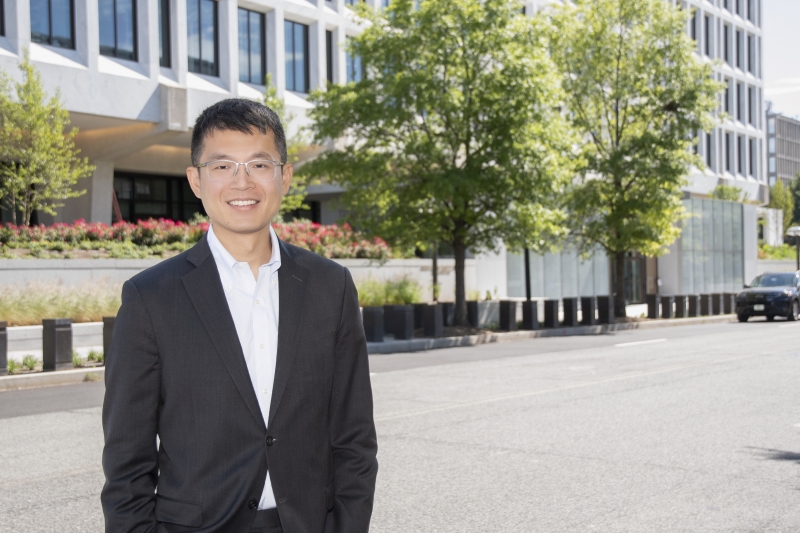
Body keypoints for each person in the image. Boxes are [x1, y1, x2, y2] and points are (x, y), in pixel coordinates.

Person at [101, 99, 378, 533]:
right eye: (223, 166)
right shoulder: (150, 298)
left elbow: (354, 437)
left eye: (259, 165)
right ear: (195, 180)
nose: (241, 182)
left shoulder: (331, 287)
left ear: (284, 176)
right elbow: (126, 461)